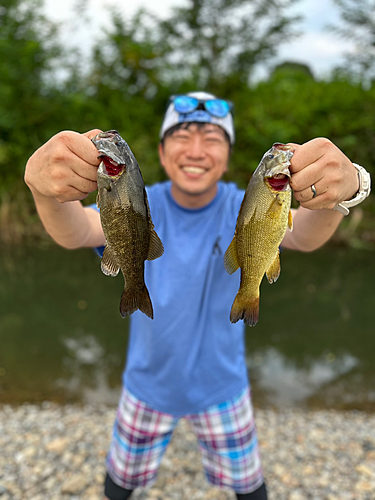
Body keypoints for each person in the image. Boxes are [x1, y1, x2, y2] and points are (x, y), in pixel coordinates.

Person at [24, 91, 371, 500]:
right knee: (119, 485)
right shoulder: (140, 200)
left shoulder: (241, 205)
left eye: (212, 138)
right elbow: (76, 231)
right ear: (160, 149)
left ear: (227, 153)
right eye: (182, 135)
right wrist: (42, 188)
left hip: (222, 389)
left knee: (250, 489)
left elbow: (307, 236)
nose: (196, 150)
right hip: (147, 387)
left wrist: (348, 187)